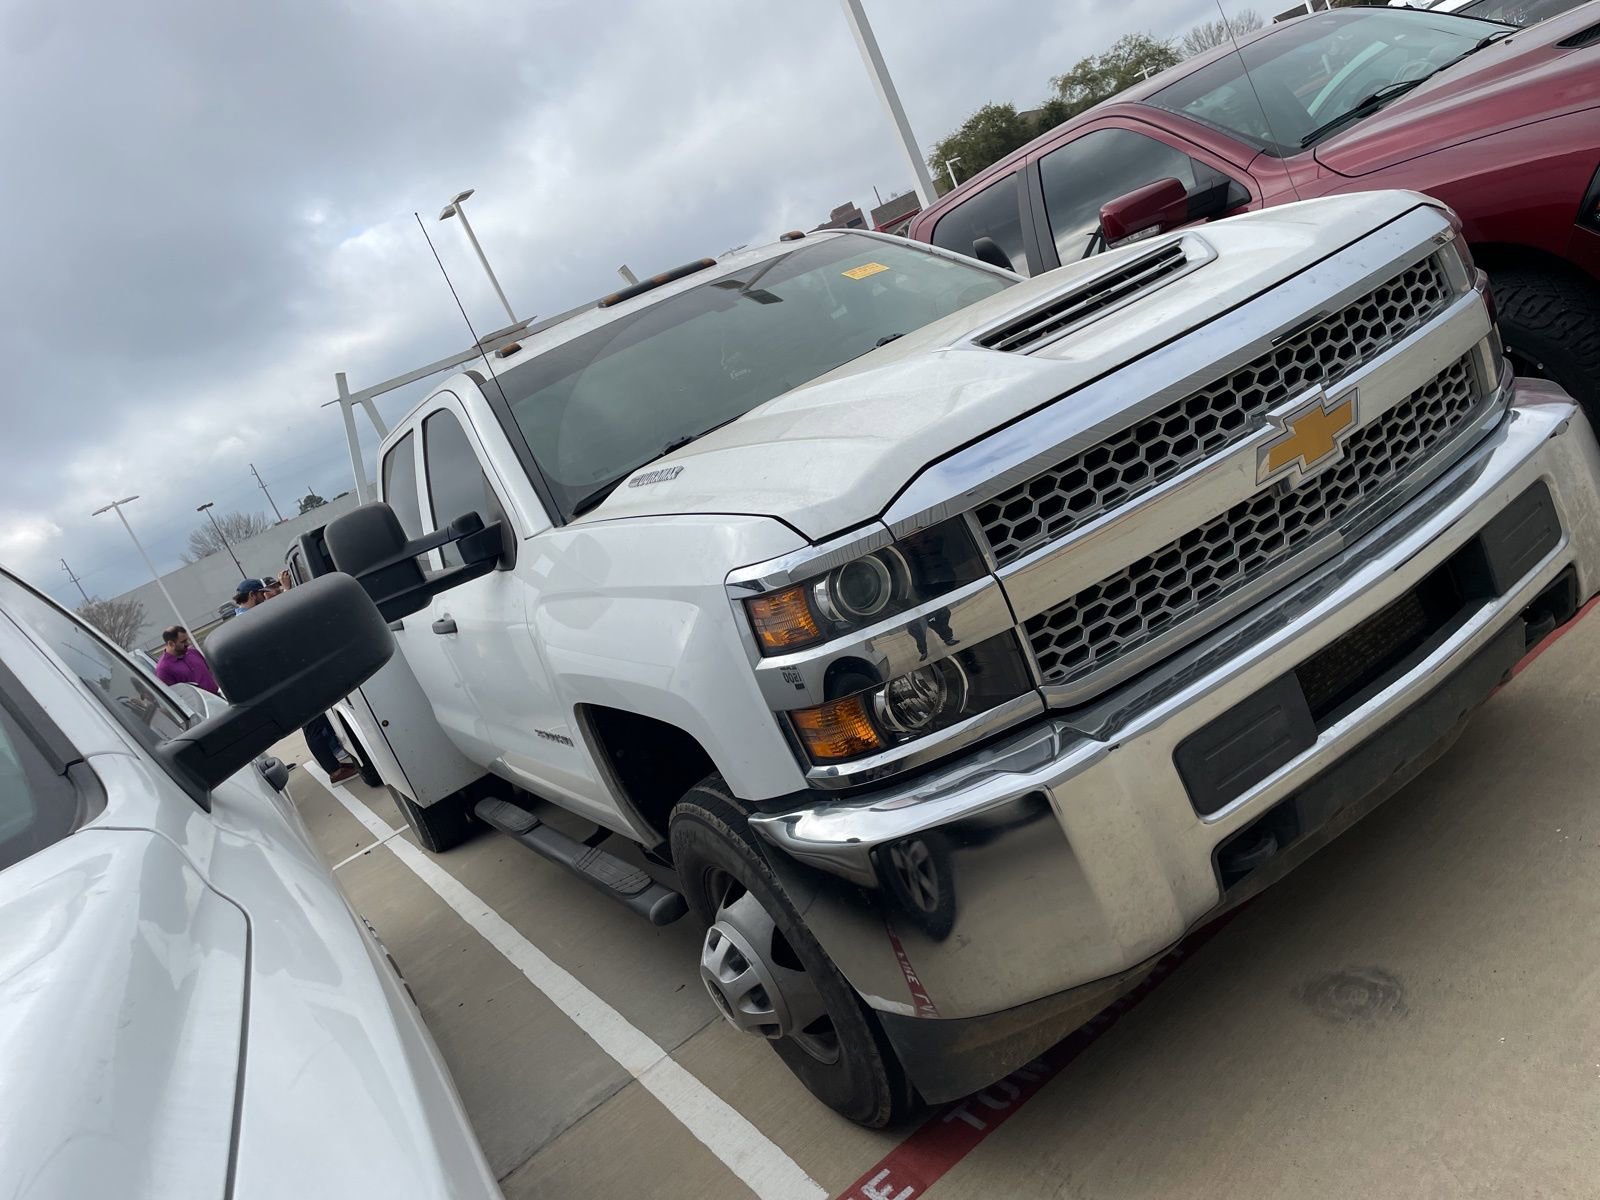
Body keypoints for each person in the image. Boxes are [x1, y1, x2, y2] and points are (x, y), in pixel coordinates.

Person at [233, 577, 360, 784]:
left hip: (287, 678)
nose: (266, 598)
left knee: (317, 720)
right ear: (253, 595)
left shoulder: (248, 618)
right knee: (312, 725)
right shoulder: (248, 621)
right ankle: (334, 771)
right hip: (285, 681)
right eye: (262, 594)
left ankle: (334, 765)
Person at [154, 625, 219, 694]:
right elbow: (174, 695)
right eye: (183, 642)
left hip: (218, 698)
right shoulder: (163, 669)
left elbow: (210, 672)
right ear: (171, 644)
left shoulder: (193, 652)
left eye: (187, 640)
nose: (188, 643)